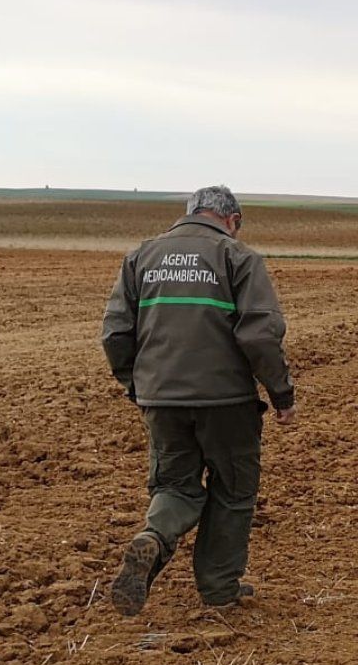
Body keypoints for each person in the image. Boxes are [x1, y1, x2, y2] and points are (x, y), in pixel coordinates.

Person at [100, 185, 295, 615]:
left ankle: (153, 536)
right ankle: (219, 587)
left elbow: (115, 333)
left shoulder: (141, 257)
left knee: (175, 484)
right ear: (232, 220)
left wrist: (138, 385)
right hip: (226, 401)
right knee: (232, 488)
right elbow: (260, 334)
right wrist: (280, 392)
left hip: (160, 399)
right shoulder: (238, 257)